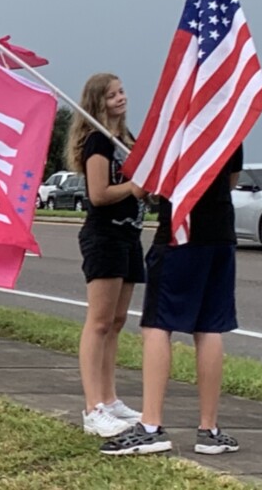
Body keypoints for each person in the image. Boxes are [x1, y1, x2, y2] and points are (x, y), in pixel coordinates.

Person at [101, 145, 244, 456]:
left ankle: (151, 425)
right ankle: (209, 428)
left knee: (156, 324)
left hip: (180, 231)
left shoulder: (176, 125)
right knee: (209, 326)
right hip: (220, 232)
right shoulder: (229, 123)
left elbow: (148, 186)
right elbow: (231, 180)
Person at [69, 73, 148, 438]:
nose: (120, 98)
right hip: (105, 236)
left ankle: (110, 397)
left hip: (130, 235)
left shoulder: (127, 140)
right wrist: (133, 187)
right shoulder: (99, 142)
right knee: (98, 322)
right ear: (98, 101)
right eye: (112, 94)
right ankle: (92, 407)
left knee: (117, 321)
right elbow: (99, 194)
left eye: (122, 91)